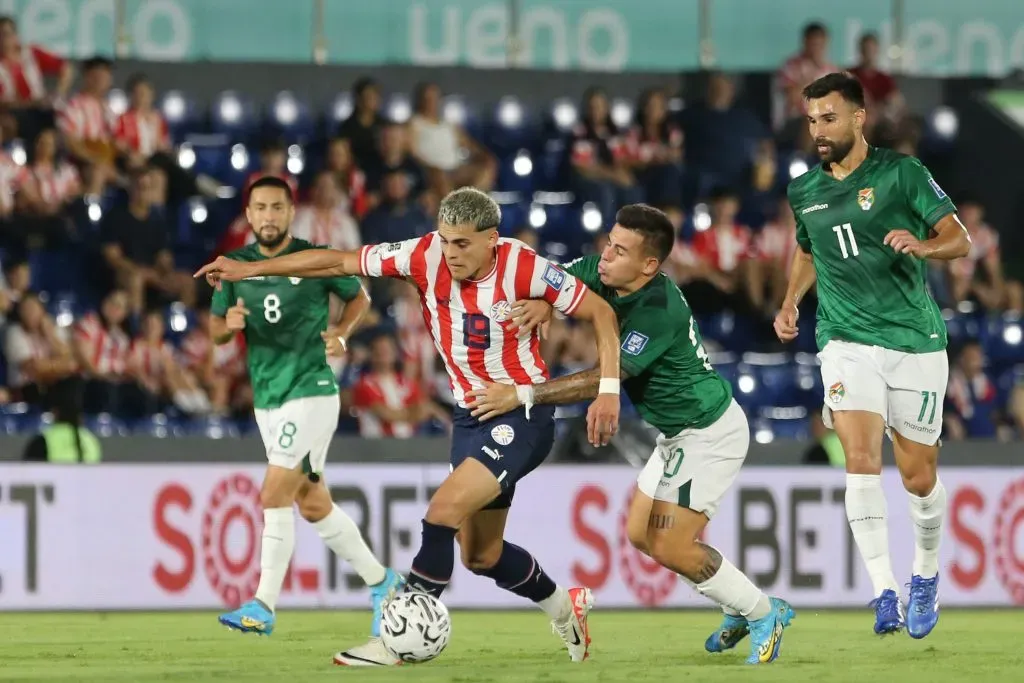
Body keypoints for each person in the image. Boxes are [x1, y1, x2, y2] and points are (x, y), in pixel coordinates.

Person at [196, 186, 624, 665]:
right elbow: (336, 263)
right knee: (481, 555)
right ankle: (567, 610)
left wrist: (607, 389)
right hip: (469, 416)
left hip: (521, 412)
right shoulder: (421, 255)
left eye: (462, 243)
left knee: (440, 512)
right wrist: (249, 269)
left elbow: (601, 312)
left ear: (492, 240)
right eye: (445, 240)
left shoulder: (523, 265)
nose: (450, 252)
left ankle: (396, 639)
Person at [466, 204, 794, 665]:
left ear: (649, 265)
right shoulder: (603, 273)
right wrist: (545, 302)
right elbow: (560, 279)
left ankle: (764, 612)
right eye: (608, 242)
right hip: (675, 435)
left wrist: (523, 395)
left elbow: (605, 375)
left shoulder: (659, 309)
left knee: (669, 543)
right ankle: (735, 606)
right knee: (640, 534)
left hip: (708, 432)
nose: (605, 256)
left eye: (620, 250)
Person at [775, 72, 970, 638]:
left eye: (829, 117)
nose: (818, 130)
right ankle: (884, 589)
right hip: (844, 339)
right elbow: (808, 251)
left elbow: (960, 239)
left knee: (917, 477)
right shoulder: (804, 190)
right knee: (860, 460)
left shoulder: (902, 174)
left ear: (860, 117)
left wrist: (924, 245)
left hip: (914, 341)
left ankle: (926, 574)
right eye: (811, 120)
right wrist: (790, 302)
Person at [207, 176, 404, 660]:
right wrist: (224, 327)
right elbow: (215, 330)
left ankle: (263, 605)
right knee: (313, 504)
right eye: (260, 208)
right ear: (248, 215)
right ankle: (384, 583)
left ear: (290, 213)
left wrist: (343, 330)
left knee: (272, 490)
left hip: (312, 391)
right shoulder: (234, 268)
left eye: (277, 207)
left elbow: (361, 296)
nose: (269, 216)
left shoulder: (314, 258)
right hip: (267, 402)